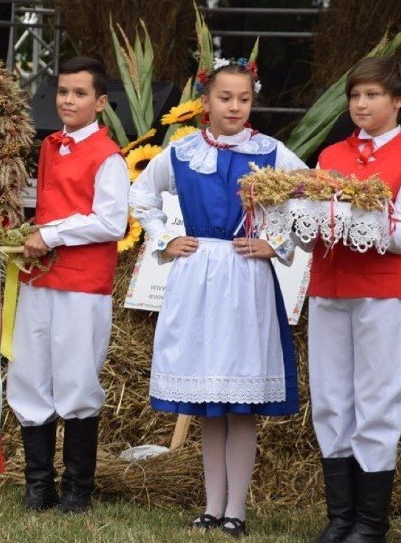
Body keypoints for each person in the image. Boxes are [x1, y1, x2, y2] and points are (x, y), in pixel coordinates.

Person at [129, 59, 307, 537]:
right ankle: (212, 506)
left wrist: (279, 244)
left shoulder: (272, 152)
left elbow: (313, 200)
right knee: (209, 399)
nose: (234, 106)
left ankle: (237, 510)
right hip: (198, 277)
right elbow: (141, 195)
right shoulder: (181, 152)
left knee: (239, 402)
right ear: (204, 102)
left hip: (245, 278)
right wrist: (166, 238)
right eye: (225, 98)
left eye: (244, 99)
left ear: (253, 100)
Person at [304, 57, 401, 543]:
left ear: (398, 100)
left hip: (379, 291)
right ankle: (341, 519)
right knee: (332, 400)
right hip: (329, 288)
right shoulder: (330, 154)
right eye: (355, 95)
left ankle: (371, 524)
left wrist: (354, 208)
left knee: (377, 399)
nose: (360, 104)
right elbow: (309, 231)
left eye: (372, 95)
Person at [6, 56, 129, 513]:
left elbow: (112, 221)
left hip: (82, 283)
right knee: (29, 373)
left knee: (76, 378)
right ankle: (39, 484)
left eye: (79, 93)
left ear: (100, 102)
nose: (68, 100)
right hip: (40, 277)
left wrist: (52, 235)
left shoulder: (107, 155)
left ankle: (78, 488)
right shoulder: (49, 145)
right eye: (62, 92)